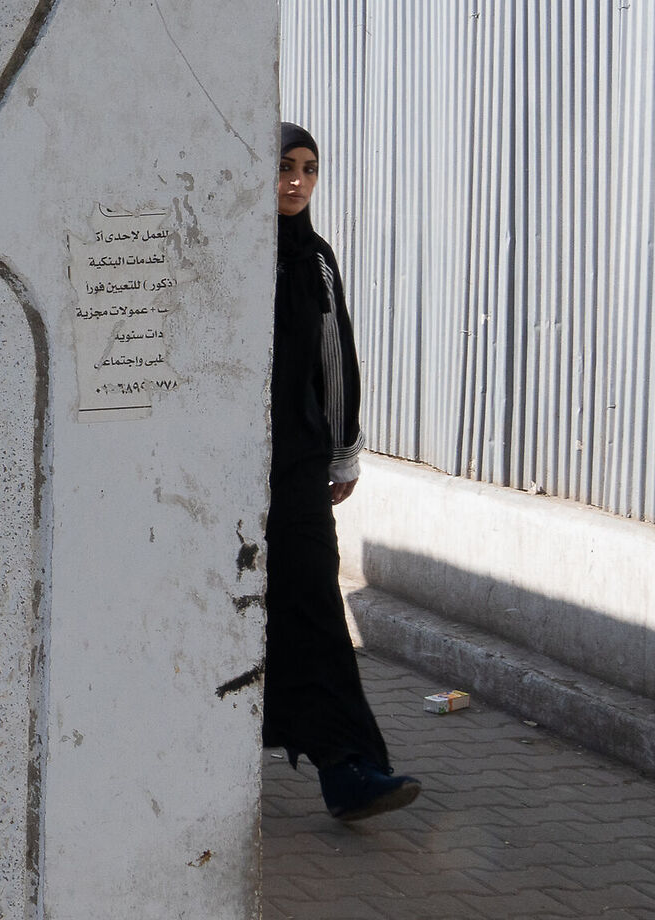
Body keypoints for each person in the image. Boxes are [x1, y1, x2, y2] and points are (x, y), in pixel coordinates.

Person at [266, 122, 422, 821]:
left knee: (316, 610)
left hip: (295, 469)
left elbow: (335, 360)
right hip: (218, 474)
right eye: (283, 167)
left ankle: (349, 769)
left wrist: (342, 452)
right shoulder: (224, 251)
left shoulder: (314, 260)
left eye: (308, 168)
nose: (296, 181)